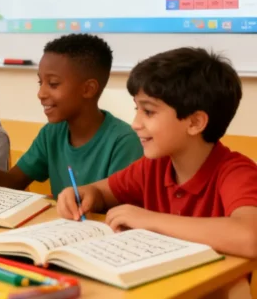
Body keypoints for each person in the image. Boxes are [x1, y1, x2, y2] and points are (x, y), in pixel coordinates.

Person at [57, 47, 257, 260]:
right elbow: (100, 191)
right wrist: (83, 194)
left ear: (195, 122)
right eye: (137, 110)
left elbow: (250, 237)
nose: (135, 124)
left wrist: (150, 220)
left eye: (149, 112)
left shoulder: (236, 172)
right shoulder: (153, 167)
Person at [0, 34, 142, 196]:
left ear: (88, 89)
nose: (41, 93)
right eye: (40, 83)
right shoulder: (51, 133)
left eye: (53, 84)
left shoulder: (124, 142)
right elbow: (14, 181)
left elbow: (120, 206)